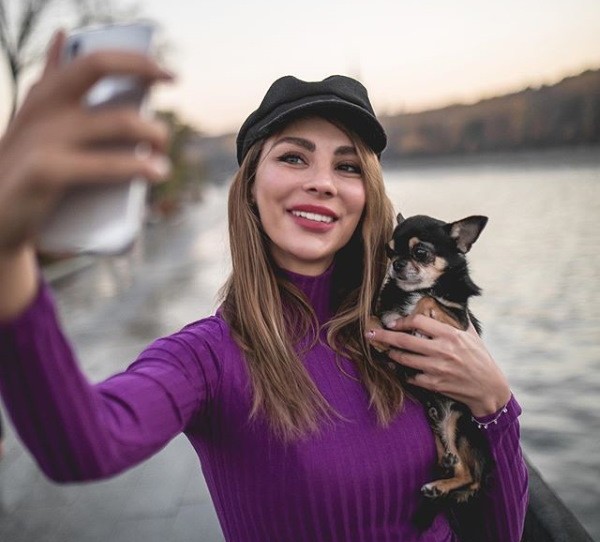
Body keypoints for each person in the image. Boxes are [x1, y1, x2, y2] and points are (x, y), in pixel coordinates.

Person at [0, 31, 528, 541]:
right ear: (250, 188)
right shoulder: (208, 358)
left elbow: (499, 533)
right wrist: (7, 253)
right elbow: (82, 446)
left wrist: (495, 402)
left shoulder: (408, 333)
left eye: (347, 166)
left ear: (365, 195)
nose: (322, 180)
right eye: (294, 156)